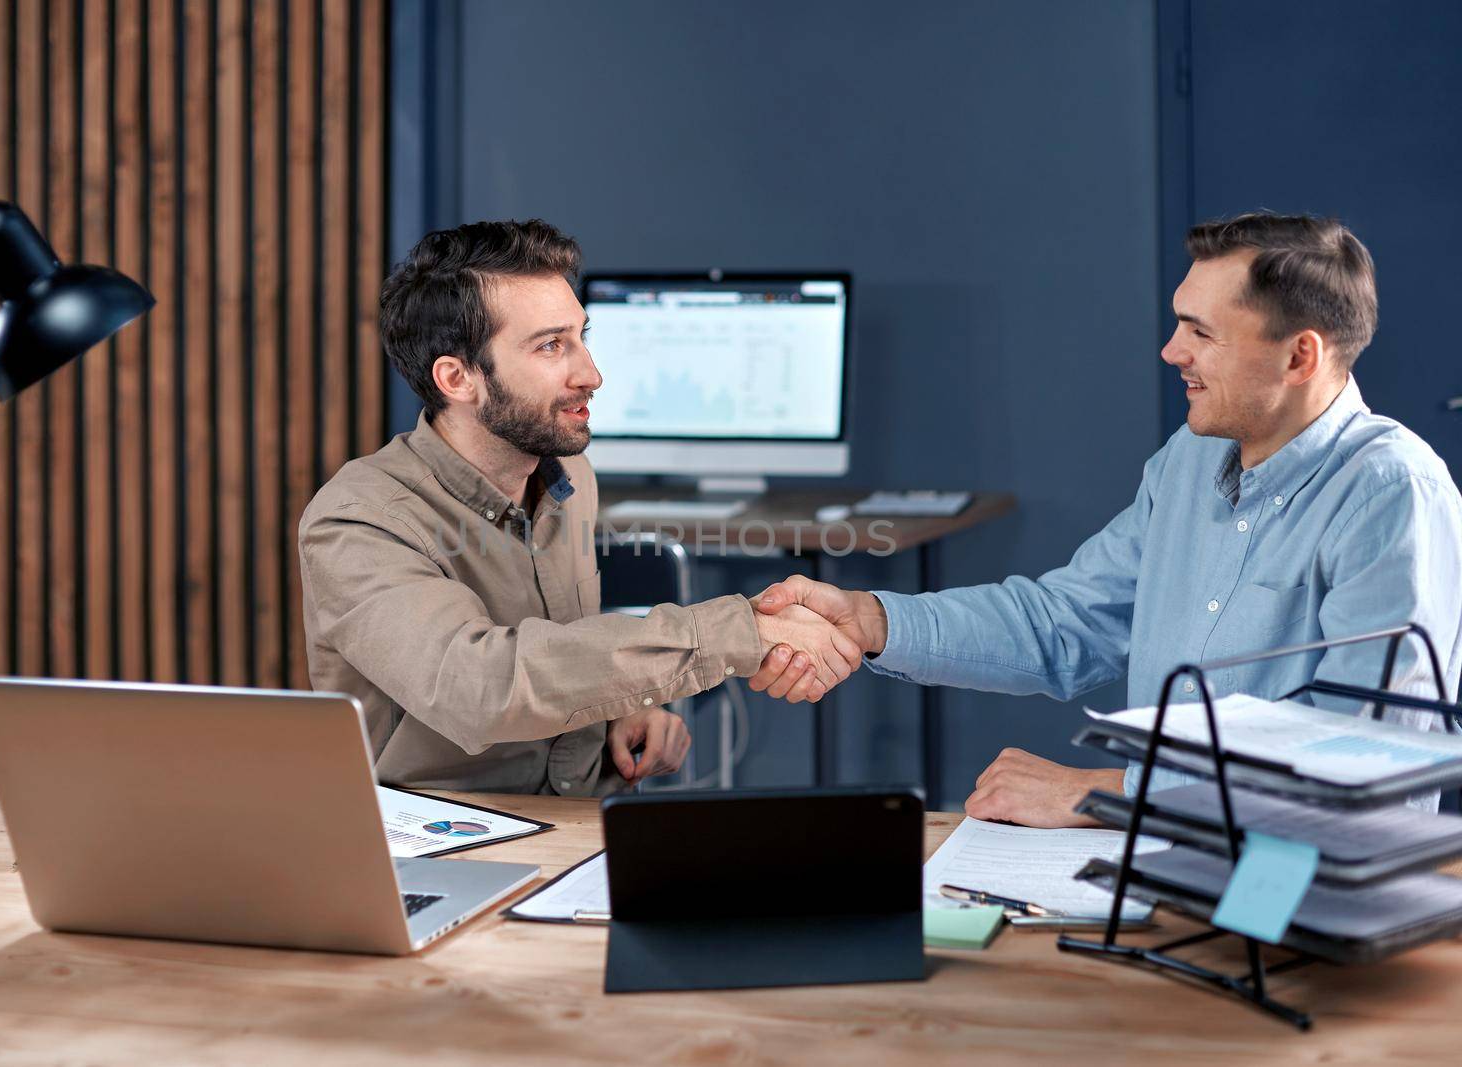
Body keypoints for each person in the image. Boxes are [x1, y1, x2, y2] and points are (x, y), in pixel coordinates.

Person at [751, 211, 1462, 825]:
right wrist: (872, 619)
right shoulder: (1188, 460)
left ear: (1299, 355)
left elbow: (1366, 766)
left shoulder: (1390, 494)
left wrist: (1109, 792)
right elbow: (1065, 623)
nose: (1171, 351)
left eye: (1200, 332)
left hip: (1292, 896)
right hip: (1159, 867)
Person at [298, 219, 858, 796]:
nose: (591, 374)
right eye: (550, 346)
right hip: (452, 845)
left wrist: (616, 713)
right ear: (457, 378)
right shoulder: (359, 521)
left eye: (581, 336)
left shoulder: (569, 476)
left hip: (585, 820)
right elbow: (483, 690)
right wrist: (740, 633)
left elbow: (562, 655)